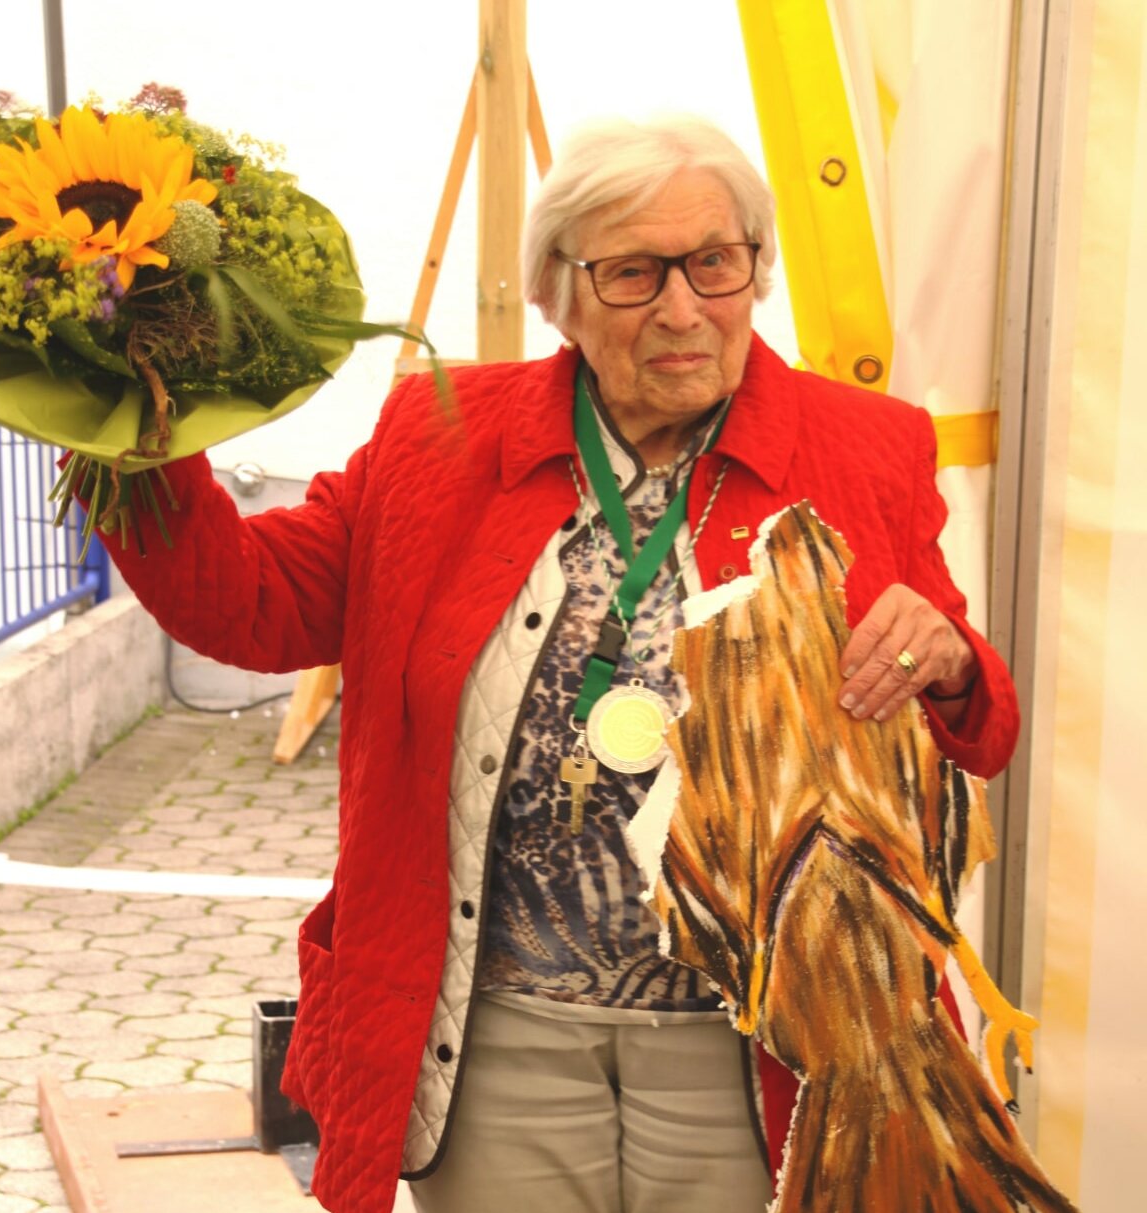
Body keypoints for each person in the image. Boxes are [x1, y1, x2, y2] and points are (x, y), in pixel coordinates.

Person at [102, 115, 1019, 1213]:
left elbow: (979, 720)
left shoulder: (865, 443)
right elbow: (247, 603)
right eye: (634, 273)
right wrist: (125, 419)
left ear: (756, 269)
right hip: (504, 1046)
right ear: (560, 294)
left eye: (715, 264)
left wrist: (951, 660)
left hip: (761, 1049)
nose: (683, 308)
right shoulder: (439, 436)